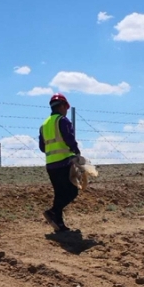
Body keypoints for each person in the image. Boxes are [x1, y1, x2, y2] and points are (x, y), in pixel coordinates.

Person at [38, 93, 81, 233]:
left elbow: (42, 147)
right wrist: (77, 153)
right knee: (72, 191)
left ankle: (59, 224)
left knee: (59, 193)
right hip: (64, 162)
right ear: (62, 106)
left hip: (50, 164)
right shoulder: (63, 121)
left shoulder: (44, 125)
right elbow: (69, 139)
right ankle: (53, 212)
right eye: (66, 108)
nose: (66, 110)